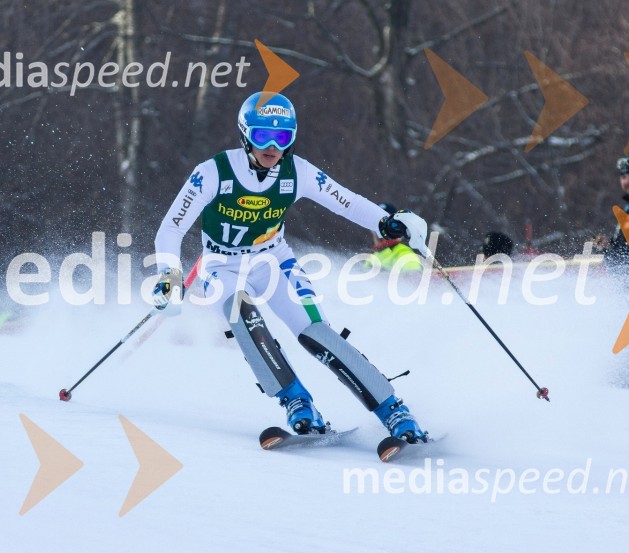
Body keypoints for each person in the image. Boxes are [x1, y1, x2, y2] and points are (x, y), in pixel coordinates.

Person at [151, 92, 430, 442]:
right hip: (221, 266)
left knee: (317, 333)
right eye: (261, 135)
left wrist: (388, 222)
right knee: (243, 318)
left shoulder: (298, 172)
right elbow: (172, 227)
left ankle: (394, 410)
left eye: (282, 137)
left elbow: (347, 202)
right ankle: (297, 402)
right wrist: (169, 274)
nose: (271, 146)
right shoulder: (213, 172)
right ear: (244, 135)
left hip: (274, 261)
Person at [362, 202, 423, 272]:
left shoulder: (404, 253)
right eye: (375, 225)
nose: (380, 231)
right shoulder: (372, 257)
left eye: (386, 226)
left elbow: (414, 279)